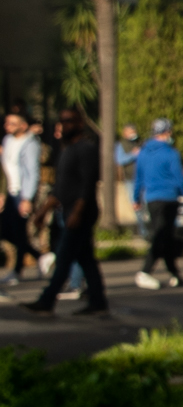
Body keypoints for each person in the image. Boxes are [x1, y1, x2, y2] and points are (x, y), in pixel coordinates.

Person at [27, 106, 109, 316]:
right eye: (62, 121)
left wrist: (77, 212)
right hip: (68, 211)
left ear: (80, 123)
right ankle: (98, 300)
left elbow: (87, 185)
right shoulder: (66, 151)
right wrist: (43, 211)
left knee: (63, 257)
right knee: (85, 258)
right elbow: (60, 188)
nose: (65, 125)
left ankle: (46, 300)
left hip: (80, 212)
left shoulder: (86, 150)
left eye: (70, 121)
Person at [133, 117, 183, 290]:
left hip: (151, 198)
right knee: (161, 236)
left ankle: (175, 274)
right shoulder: (171, 153)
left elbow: (139, 178)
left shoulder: (143, 152)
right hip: (169, 198)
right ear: (166, 132)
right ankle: (145, 271)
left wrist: (136, 198)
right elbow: (179, 178)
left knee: (165, 236)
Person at [0, 107, 38, 287]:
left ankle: (17, 271)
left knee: (19, 232)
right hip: (10, 192)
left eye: (12, 123)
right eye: (7, 123)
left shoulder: (31, 144)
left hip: (22, 193)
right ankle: (41, 256)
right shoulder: (7, 141)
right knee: (6, 231)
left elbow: (32, 172)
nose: (8, 126)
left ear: (23, 126)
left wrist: (27, 198)